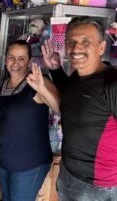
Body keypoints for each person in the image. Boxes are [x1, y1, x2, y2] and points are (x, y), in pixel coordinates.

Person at [42, 16, 117, 201]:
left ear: (101, 47)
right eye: (71, 42)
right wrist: (55, 69)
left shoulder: (112, 82)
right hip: (68, 173)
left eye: (85, 42)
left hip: (97, 186)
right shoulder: (78, 76)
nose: (76, 48)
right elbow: (73, 99)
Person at [0, 40, 60, 201]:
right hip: (4, 159)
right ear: (5, 59)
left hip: (29, 162)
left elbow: (60, 108)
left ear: (29, 61)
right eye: (11, 57)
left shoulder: (38, 81)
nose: (15, 62)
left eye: (21, 58)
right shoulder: (3, 84)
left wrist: (42, 89)